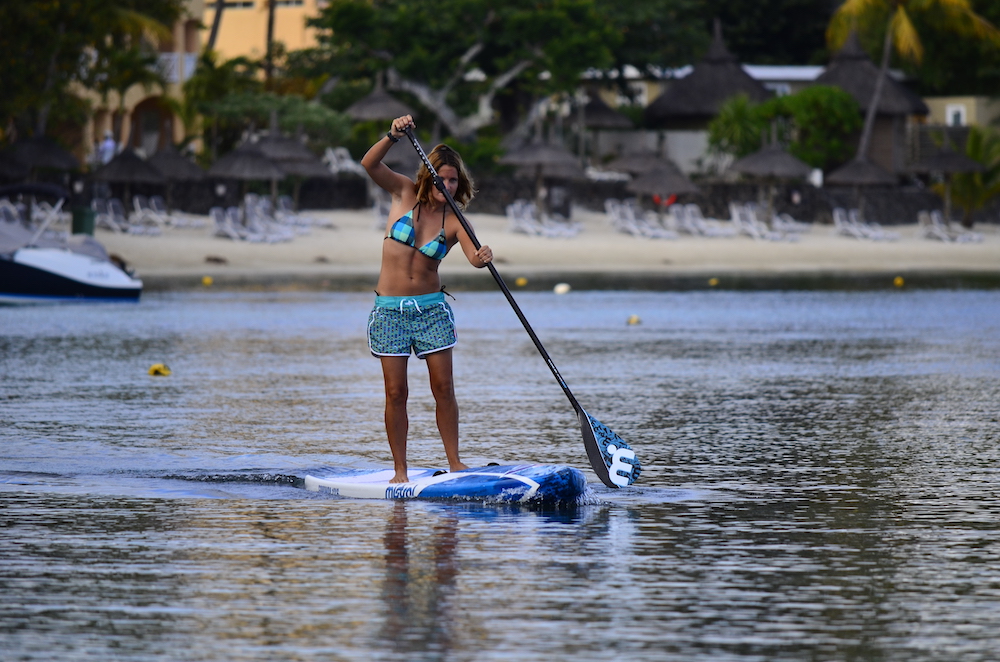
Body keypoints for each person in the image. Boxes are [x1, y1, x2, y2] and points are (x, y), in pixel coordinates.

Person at [361, 115, 493, 484]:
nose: (447, 184)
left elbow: (472, 258)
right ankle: (400, 471)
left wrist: (482, 259)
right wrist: (392, 135)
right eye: (442, 177)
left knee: (443, 388)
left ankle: (455, 463)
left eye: (453, 180)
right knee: (395, 392)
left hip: (431, 310)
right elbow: (369, 164)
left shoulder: (455, 220)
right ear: (427, 176)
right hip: (389, 312)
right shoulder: (402, 193)